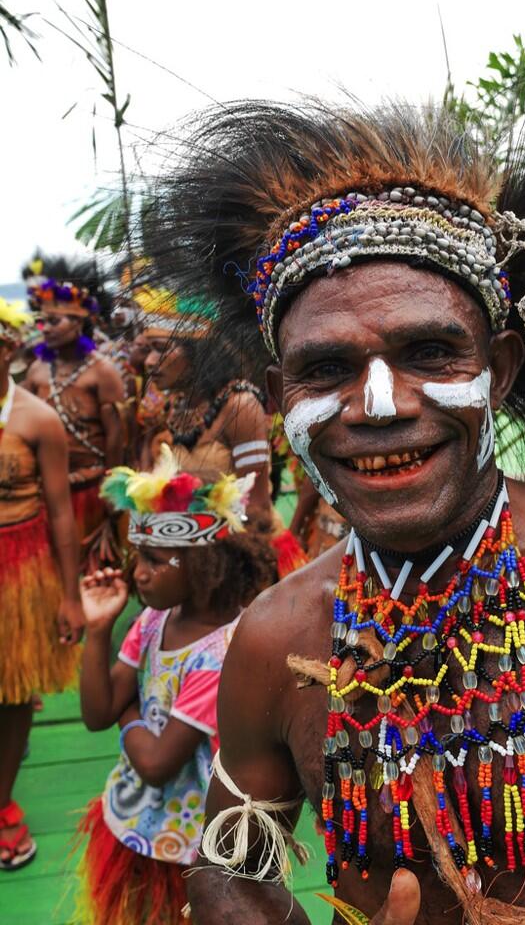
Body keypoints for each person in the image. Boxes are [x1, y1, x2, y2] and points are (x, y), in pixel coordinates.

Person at [140, 89, 525, 923]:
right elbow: (230, 868)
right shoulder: (275, 636)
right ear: (284, 395)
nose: (381, 405)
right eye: (327, 370)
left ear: (497, 368)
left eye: (428, 352)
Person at [74, 447, 277, 925]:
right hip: (139, 824)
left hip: (193, 845)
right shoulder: (153, 619)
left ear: (203, 564)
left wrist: (130, 713)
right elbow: (95, 713)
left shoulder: (223, 653)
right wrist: (99, 629)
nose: (138, 571)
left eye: (154, 560)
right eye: (137, 558)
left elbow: (156, 763)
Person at [135, 285, 307, 578]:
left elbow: (255, 509)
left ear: (198, 353)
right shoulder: (174, 405)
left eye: (161, 350)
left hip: (241, 560)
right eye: (148, 350)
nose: (149, 362)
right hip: (193, 558)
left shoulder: (239, 406)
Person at [0, 297, 82, 870]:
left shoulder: (35, 418)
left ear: (7, 348)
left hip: (20, 573)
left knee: (11, 690)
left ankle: (2, 803)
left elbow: (60, 512)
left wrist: (70, 596)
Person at [22, 256, 125, 560]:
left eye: (54, 321)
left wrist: (111, 491)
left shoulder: (102, 372)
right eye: (42, 321)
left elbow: (117, 439)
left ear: (79, 322)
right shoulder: (37, 371)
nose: (45, 329)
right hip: (45, 490)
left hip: (91, 492)